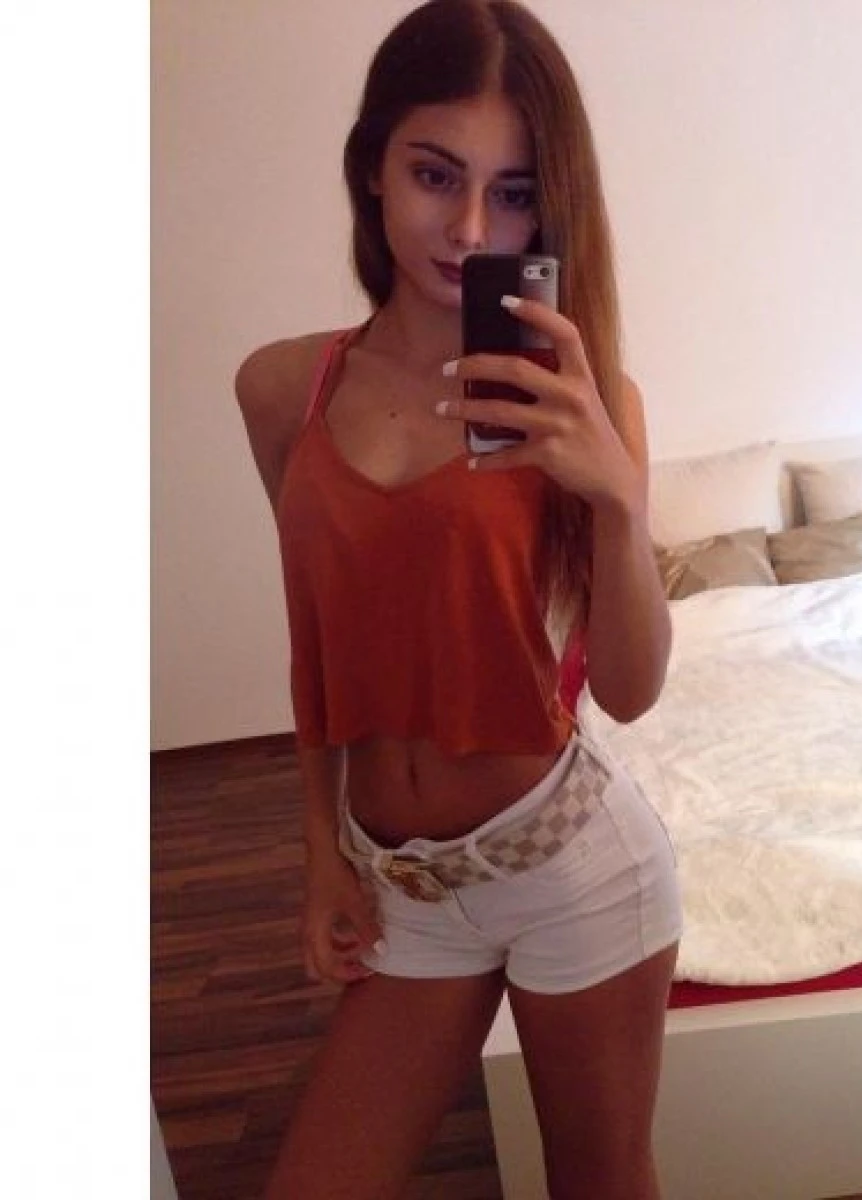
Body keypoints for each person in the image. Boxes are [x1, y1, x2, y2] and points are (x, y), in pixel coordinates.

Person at [233, 2, 681, 1196]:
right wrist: (321, 852)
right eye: (437, 174)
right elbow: (316, 636)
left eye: (515, 193)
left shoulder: (580, 398)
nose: (473, 227)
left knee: (600, 1182)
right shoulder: (284, 388)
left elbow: (632, 690)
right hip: (407, 891)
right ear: (372, 169)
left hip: (572, 866)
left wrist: (616, 495)